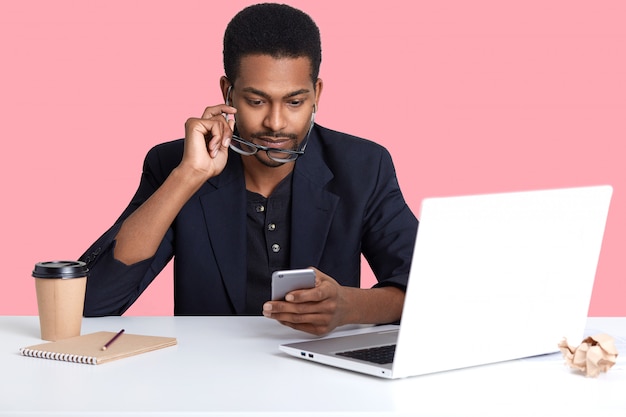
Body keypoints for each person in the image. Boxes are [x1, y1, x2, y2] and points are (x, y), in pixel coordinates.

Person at [80, 3, 418, 336]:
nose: (275, 122)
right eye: (256, 101)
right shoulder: (174, 165)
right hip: (208, 379)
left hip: (322, 380)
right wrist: (188, 176)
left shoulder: (363, 167)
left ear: (316, 94)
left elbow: (430, 290)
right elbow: (91, 303)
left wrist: (349, 307)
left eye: (294, 102)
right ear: (228, 93)